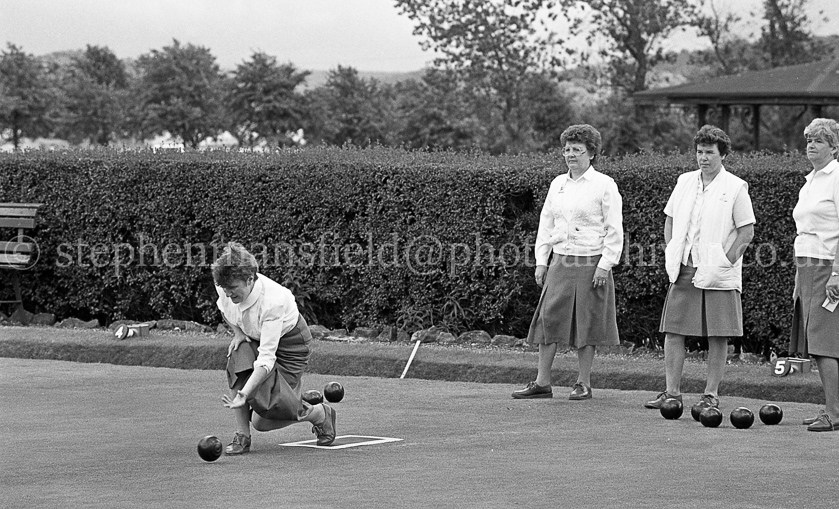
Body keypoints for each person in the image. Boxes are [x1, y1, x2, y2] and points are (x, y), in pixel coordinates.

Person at [644, 125, 755, 412]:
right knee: (673, 332)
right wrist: (672, 250)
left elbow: (746, 232)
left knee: (718, 334)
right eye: (699, 152)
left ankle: (711, 394)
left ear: (722, 155)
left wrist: (724, 261)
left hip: (718, 273)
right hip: (684, 269)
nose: (703, 158)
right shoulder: (684, 182)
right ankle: (672, 393)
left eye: (709, 152)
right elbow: (669, 219)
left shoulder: (735, 187)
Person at [512, 124, 624, 400]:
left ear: (592, 153)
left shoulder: (604, 185)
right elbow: (546, 223)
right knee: (548, 318)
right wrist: (541, 261)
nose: (570, 154)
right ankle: (542, 382)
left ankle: (583, 382)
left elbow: (614, 229)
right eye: (567, 149)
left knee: (587, 323)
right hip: (560, 261)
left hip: (591, 262)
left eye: (577, 150)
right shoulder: (557, 184)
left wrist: (605, 264)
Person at [213, 242, 336, 453]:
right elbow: (223, 308)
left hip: (291, 345)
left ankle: (318, 413)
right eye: (225, 289)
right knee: (239, 352)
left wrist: (245, 394)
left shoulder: (273, 301)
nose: (228, 294)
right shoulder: (224, 284)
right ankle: (242, 435)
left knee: (262, 421)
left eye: (233, 289)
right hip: (254, 338)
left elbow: (266, 359)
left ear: (250, 279)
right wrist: (238, 333)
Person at [790, 118, 839, 432]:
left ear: (833, 147)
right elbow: (804, 231)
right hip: (807, 267)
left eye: (819, 140)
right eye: (808, 140)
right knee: (817, 341)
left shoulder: (837, 178)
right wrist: (798, 273)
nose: (811, 145)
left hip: (827, 267)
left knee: (824, 344)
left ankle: (834, 414)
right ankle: (830, 408)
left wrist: (837, 273)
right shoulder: (810, 180)